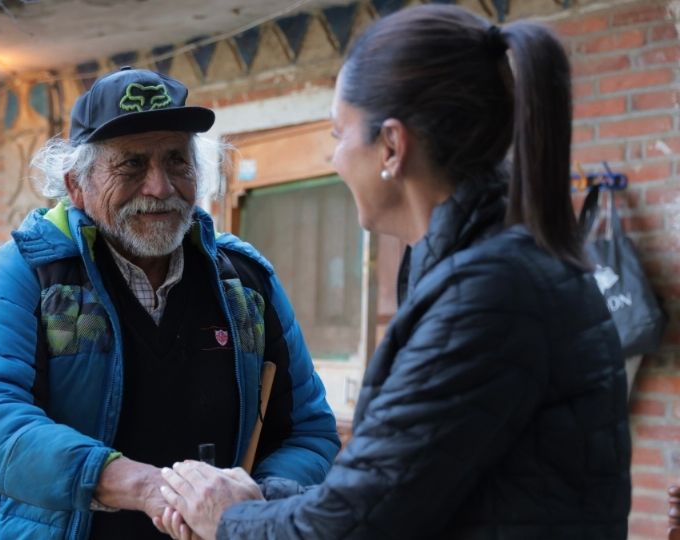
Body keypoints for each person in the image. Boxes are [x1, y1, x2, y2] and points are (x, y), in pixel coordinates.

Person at [159, 5, 631, 540]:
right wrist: (262, 497)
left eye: (339, 133)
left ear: (391, 145)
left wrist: (228, 517)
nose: (335, 158)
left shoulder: (490, 296)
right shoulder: (490, 271)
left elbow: (356, 529)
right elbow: (402, 493)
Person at [0, 67, 340, 540]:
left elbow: (309, 431)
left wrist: (250, 502)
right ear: (77, 184)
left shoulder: (247, 283)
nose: (159, 186)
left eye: (177, 160)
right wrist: (145, 486)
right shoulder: (25, 274)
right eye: (132, 164)